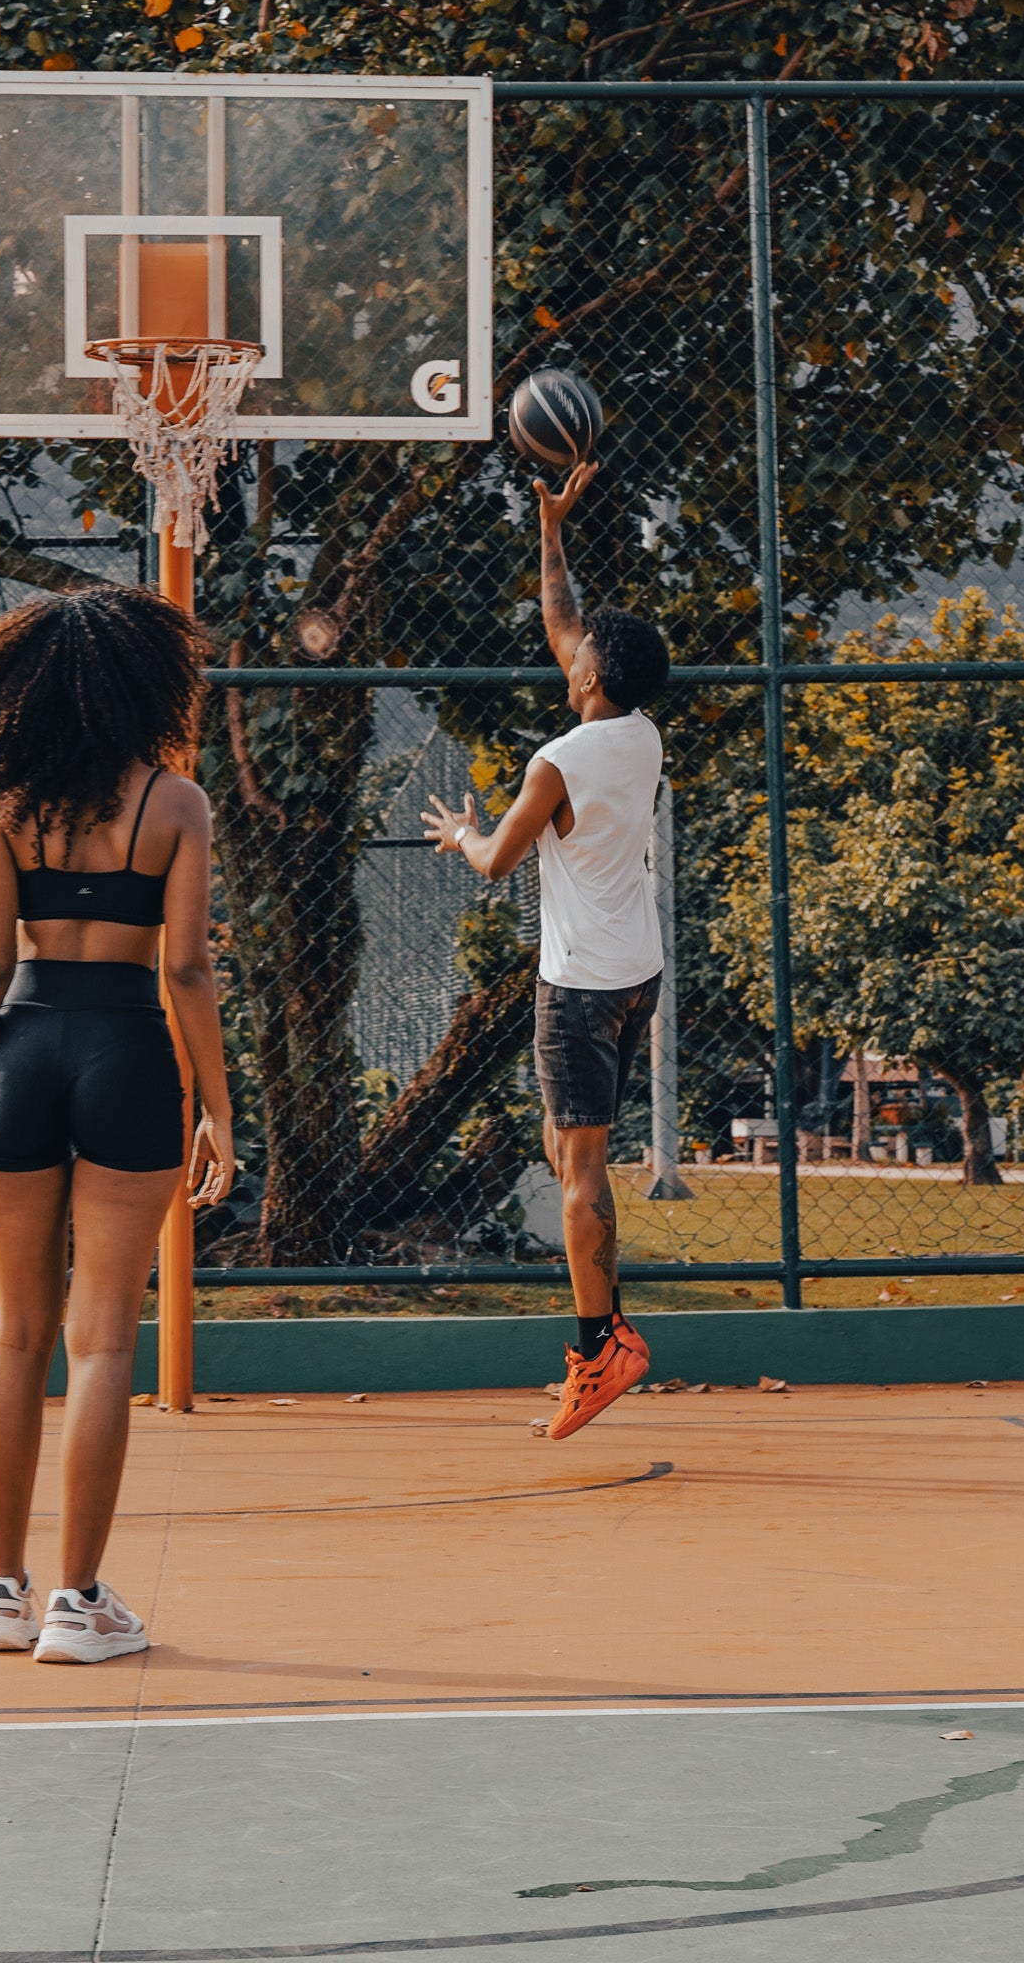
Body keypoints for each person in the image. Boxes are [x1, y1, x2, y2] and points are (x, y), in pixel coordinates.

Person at [0, 587, 236, 1662]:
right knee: (102, 1336)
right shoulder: (174, 804)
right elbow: (187, 967)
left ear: (15, 695)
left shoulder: (2, 806)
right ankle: (78, 1603)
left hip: (15, 1055)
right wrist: (215, 1107)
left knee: (14, 1332)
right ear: (142, 685)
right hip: (126, 1054)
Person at [422, 462, 671, 1439]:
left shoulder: (557, 761)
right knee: (572, 1151)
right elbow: (563, 620)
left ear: (590, 679)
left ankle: (597, 1346)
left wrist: (460, 832)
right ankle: (604, 1327)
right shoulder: (637, 734)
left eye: (576, 656)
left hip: (576, 987)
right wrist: (550, 527)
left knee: (578, 1174)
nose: (562, 655)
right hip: (635, 970)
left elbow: (494, 864)